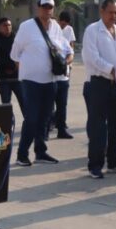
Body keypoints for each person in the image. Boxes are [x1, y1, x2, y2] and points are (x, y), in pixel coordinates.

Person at [11, 0, 72, 166]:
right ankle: (22, 154)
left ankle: (41, 152)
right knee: (31, 118)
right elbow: (15, 54)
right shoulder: (27, 27)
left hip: (51, 80)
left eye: (50, 7)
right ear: (38, 8)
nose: (47, 10)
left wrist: (66, 60)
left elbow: (67, 49)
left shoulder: (56, 28)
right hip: (30, 81)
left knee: (45, 118)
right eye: (44, 7)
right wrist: (26, 69)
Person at [81, 0, 116, 179]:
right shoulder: (92, 31)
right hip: (99, 83)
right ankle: (95, 165)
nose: (114, 16)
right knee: (98, 127)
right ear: (102, 11)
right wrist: (111, 70)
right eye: (110, 12)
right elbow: (92, 57)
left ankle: (114, 161)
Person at [50, 10, 76, 140]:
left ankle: (61, 128)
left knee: (62, 104)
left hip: (63, 75)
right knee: (49, 104)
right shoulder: (47, 39)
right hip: (50, 77)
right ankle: (47, 127)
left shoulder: (64, 37)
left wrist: (66, 63)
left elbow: (71, 51)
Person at [0, 18, 23, 114]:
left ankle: (29, 125)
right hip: (3, 79)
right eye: (5, 25)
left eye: (9, 25)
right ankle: (9, 126)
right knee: (6, 105)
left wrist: (15, 67)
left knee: (25, 102)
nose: (7, 27)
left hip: (18, 77)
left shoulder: (18, 40)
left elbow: (22, 55)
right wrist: (7, 67)